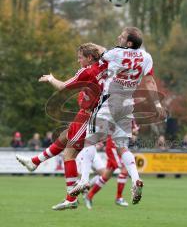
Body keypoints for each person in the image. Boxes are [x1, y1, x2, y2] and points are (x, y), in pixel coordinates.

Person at [16, 43, 127, 210]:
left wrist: (51, 78)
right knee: (65, 137)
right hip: (100, 113)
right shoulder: (105, 63)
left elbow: (63, 87)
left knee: (69, 153)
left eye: (80, 57)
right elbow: (104, 50)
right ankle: (35, 162)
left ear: (89, 58)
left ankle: (71, 198)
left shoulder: (87, 71)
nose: (78, 60)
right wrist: (92, 46)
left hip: (90, 115)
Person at [69, 27, 167, 205]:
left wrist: (91, 47)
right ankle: (135, 178)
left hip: (110, 101)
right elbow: (150, 81)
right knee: (123, 147)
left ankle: (84, 180)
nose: (118, 37)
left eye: (121, 36)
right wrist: (158, 103)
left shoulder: (116, 53)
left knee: (90, 140)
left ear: (128, 43)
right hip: (128, 104)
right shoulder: (146, 57)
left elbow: (100, 53)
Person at [83, 136, 128, 209]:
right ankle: (119, 198)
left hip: (118, 145)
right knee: (124, 169)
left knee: (107, 175)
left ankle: (89, 196)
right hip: (114, 145)